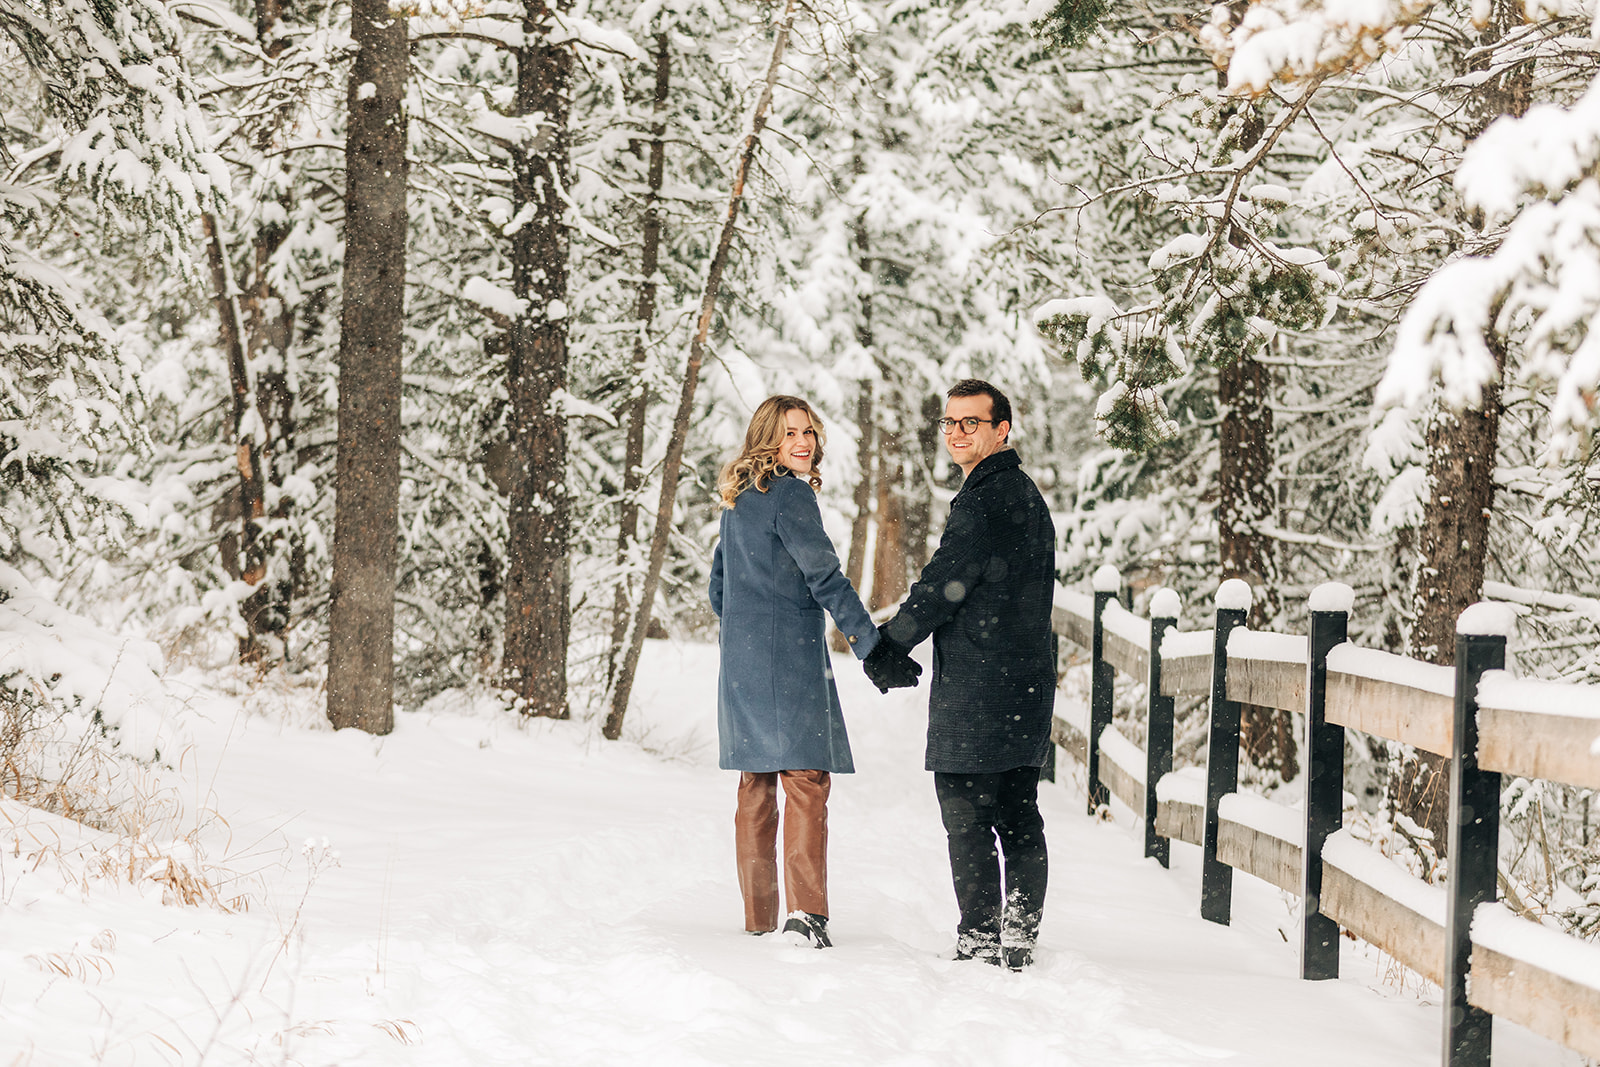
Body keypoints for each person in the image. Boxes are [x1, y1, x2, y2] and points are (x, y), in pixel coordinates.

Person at [863, 378, 1057, 970]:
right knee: (1017, 808)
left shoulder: (985, 499)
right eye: (950, 423)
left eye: (970, 422)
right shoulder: (1026, 495)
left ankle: (979, 939)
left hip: (980, 682)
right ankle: (1018, 934)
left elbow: (945, 583)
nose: (956, 433)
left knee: (967, 810)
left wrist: (888, 645)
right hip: (1026, 681)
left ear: (1002, 429)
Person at [708, 395, 913, 949]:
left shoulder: (738, 498)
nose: (803, 442)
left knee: (755, 784)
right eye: (789, 432)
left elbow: (718, 589)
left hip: (742, 658)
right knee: (805, 781)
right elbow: (826, 578)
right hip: (788, 659)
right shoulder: (791, 495)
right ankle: (805, 917)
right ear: (766, 439)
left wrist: (747, 630)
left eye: (808, 432)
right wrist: (871, 645)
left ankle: (759, 917)